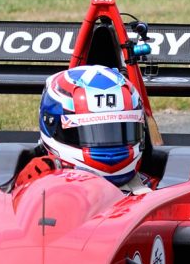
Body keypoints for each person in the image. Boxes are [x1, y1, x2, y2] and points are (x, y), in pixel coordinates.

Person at [16, 64, 150, 191]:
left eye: (117, 130)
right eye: (91, 133)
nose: (109, 154)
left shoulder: (155, 190)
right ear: (51, 126)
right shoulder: (33, 183)